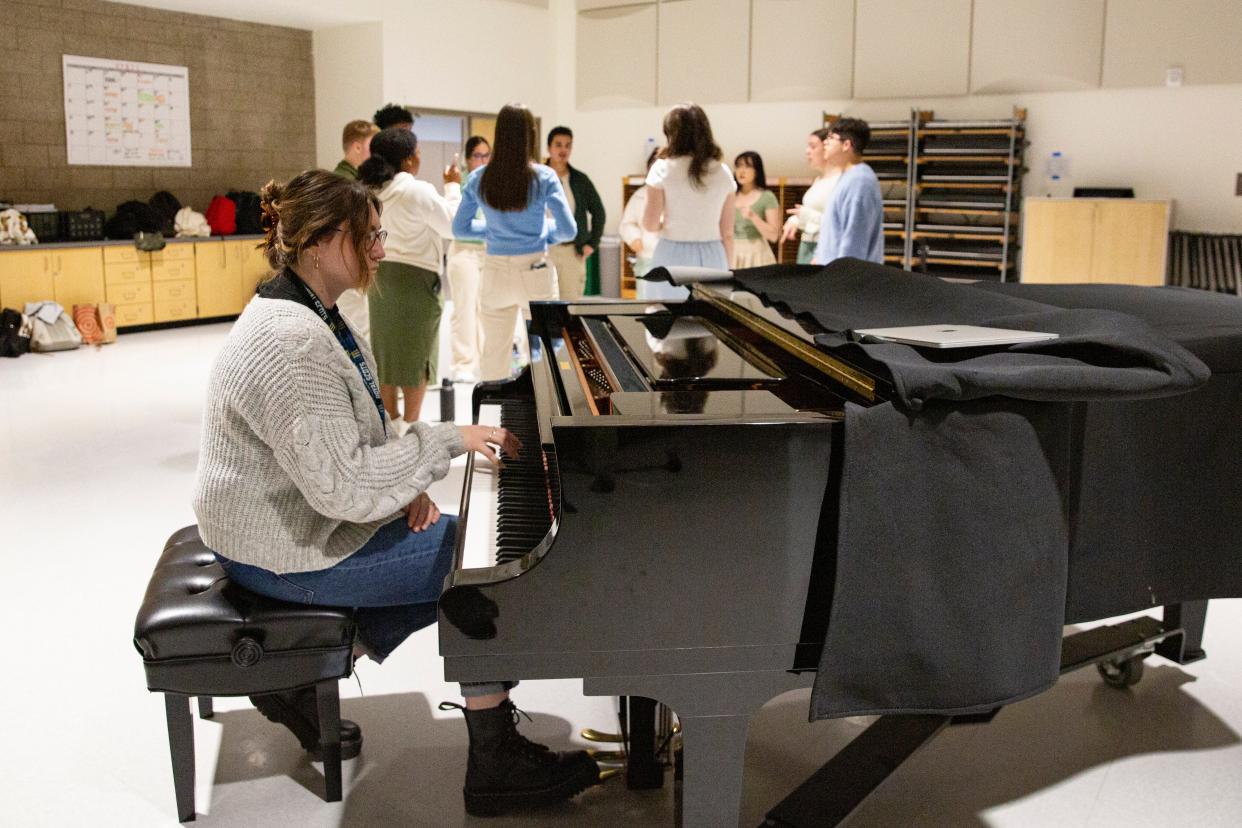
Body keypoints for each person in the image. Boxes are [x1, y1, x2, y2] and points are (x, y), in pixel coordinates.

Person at [192, 169, 599, 816]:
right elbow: (342, 488)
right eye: (369, 236)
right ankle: (495, 760)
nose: (381, 249)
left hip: (290, 519)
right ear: (320, 242)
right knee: (479, 568)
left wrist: (400, 482)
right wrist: (440, 444)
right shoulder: (291, 339)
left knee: (452, 544)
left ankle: (306, 673)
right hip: (281, 546)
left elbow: (351, 442)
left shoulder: (309, 308)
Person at [452, 103, 576, 381]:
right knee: (544, 353)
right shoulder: (544, 177)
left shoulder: (479, 178)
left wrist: (494, 231)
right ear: (530, 134)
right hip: (535, 271)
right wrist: (542, 232)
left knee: (494, 356)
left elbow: (459, 228)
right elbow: (568, 230)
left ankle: (493, 421)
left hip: (495, 271)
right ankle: (544, 418)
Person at [358, 127, 461, 430]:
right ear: (407, 159)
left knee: (385, 352)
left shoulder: (370, 191)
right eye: (416, 151)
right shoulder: (416, 190)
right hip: (417, 280)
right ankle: (412, 425)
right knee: (417, 353)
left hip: (380, 276)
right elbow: (452, 226)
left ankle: (391, 421)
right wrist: (453, 187)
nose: (419, 156)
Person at [641, 103, 736, 301]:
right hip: (713, 255)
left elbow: (649, 224)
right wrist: (730, 272)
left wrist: (666, 223)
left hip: (672, 255)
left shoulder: (662, 169)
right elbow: (727, 232)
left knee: (666, 321)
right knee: (712, 323)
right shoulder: (722, 171)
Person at [445, 135, 491, 382]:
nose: (482, 160)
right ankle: (463, 365)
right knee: (464, 311)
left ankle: (487, 366)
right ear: (467, 158)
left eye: (486, 155)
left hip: (488, 252)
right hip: (464, 251)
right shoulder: (459, 181)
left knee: (487, 311)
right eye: (477, 155)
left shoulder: (494, 182)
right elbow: (456, 221)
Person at [332, 120, 381, 343]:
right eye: (372, 146)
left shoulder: (344, 178)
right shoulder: (347, 184)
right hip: (350, 264)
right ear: (357, 146)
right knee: (356, 331)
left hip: (348, 264)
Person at [544, 126, 605, 301]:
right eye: (558, 145)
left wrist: (592, 243)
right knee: (543, 303)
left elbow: (599, 212)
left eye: (568, 145)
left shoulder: (580, 180)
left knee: (569, 306)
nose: (563, 150)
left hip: (572, 251)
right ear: (549, 148)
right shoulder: (537, 177)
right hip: (545, 250)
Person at [812, 117, 884, 265]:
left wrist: (843, 276)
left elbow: (855, 238)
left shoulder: (859, 181)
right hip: (833, 273)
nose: (825, 142)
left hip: (847, 279)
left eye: (831, 138)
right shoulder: (847, 177)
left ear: (846, 144)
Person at [781, 128, 842, 264]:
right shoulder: (819, 179)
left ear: (827, 147)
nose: (807, 151)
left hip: (825, 248)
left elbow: (839, 223)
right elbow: (809, 213)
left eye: (813, 146)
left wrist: (807, 216)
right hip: (807, 244)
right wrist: (795, 220)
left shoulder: (840, 180)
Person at [618, 146, 662, 281]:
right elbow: (626, 224)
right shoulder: (640, 196)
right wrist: (635, 238)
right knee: (647, 300)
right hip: (646, 259)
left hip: (673, 260)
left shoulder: (678, 196)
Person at [731, 151, 780, 268]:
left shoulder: (767, 197)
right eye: (738, 166)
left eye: (747, 166)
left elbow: (773, 236)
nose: (741, 171)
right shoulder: (730, 197)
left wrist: (753, 217)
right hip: (733, 253)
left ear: (757, 171)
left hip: (757, 254)